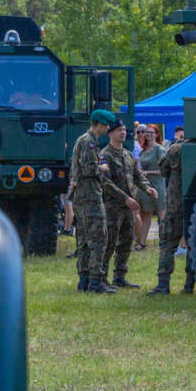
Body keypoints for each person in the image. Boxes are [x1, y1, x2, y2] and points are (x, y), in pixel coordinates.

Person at [100, 118, 157, 290]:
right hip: (113, 206)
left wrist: (147, 187)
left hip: (128, 207)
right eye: (119, 130)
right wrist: (125, 198)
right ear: (110, 133)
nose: (123, 133)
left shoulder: (127, 154)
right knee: (109, 242)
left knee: (126, 242)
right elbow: (106, 183)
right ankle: (101, 278)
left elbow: (137, 175)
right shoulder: (105, 155)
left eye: (124, 130)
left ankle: (120, 277)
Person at [71, 108, 115, 293]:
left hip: (81, 196)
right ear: (100, 124)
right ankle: (95, 282)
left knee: (83, 239)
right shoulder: (89, 142)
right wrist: (102, 168)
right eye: (106, 125)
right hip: (90, 196)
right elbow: (89, 169)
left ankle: (84, 279)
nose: (107, 129)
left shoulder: (83, 140)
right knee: (98, 239)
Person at [148, 133, 196, 295]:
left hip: (175, 203)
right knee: (193, 244)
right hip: (195, 203)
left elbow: (163, 170)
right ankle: (189, 285)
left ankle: (163, 284)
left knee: (167, 244)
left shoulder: (176, 149)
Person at [136, 126, 166, 250]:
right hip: (145, 186)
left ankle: (164, 242)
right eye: (147, 132)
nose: (148, 134)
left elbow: (164, 170)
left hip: (158, 186)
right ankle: (142, 243)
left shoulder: (160, 150)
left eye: (151, 132)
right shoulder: (143, 150)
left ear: (156, 134)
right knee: (146, 214)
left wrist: (149, 172)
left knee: (161, 214)